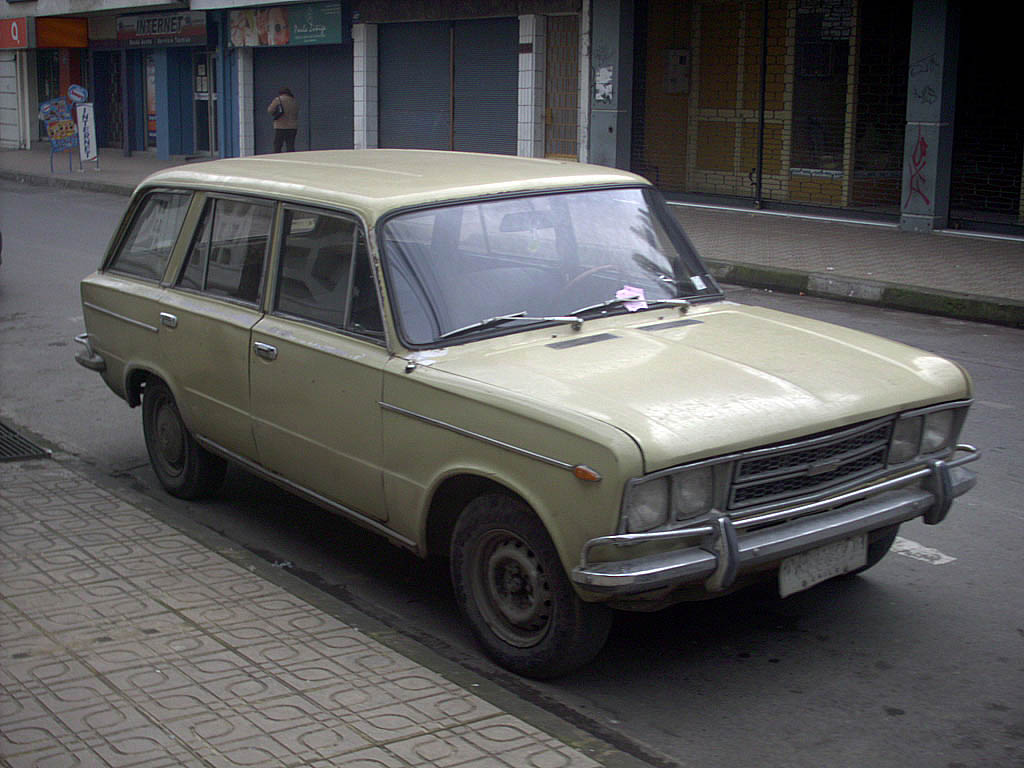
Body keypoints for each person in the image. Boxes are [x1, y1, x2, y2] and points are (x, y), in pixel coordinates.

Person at [268, 87, 298, 153]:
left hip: (280, 126)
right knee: (290, 145)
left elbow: (270, 110)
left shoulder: (278, 100)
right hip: (292, 126)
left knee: (278, 145)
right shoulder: (294, 100)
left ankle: (278, 159)